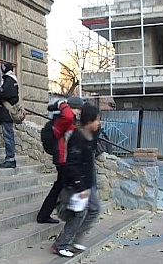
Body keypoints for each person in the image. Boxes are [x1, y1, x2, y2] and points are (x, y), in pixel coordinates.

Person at [51, 103, 101, 257]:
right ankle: (61, 244)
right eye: (97, 120)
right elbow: (72, 164)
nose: (99, 123)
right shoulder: (77, 137)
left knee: (94, 209)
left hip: (88, 182)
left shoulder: (89, 135)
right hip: (78, 183)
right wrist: (80, 186)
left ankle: (75, 240)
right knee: (79, 214)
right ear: (89, 121)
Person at [36, 96, 85, 224]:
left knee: (60, 186)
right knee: (63, 186)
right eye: (79, 109)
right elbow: (68, 115)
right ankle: (61, 213)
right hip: (63, 158)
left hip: (64, 158)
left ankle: (45, 214)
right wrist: (63, 104)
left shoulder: (66, 120)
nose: (80, 112)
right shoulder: (65, 119)